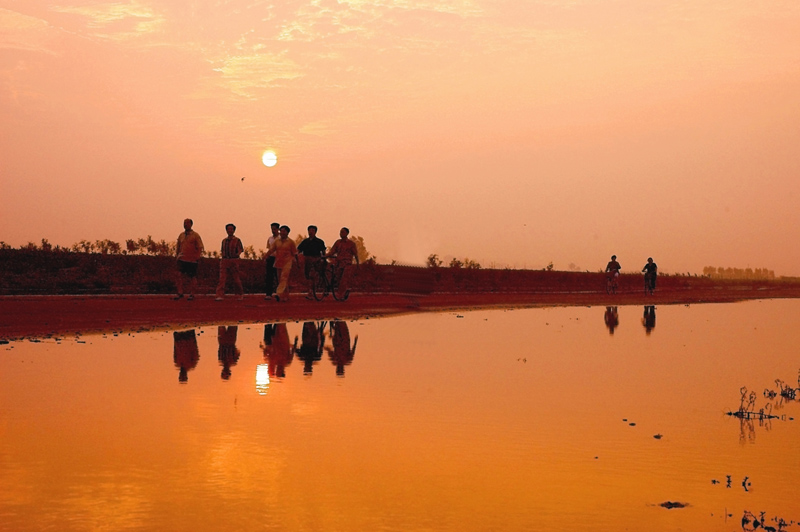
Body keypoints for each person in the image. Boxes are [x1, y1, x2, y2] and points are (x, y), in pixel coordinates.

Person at [264, 225, 297, 301]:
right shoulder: (277, 241)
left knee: (284, 277)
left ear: (287, 232)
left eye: (284, 231)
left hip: (287, 262)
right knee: (281, 280)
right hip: (278, 262)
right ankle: (286, 295)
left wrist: (297, 262)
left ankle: (278, 293)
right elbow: (271, 250)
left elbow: (294, 253)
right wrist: (266, 256)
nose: (282, 232)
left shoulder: (291, 242)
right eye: (281, 231)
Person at [325, 227, 359, 298]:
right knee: (338, 278)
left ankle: (341, 294)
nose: (341, 234)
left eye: (343, 232)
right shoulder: (338, 242)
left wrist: (357, 264)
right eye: (340, 232)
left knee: (344, 279)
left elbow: (355, 254)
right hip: (339, 263)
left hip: (347, 264)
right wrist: (324, 256)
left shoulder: (351, 244)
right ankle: (345, 290)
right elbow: (332, 252)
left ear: (347, 233)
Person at [175, 218, 204, 300]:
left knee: (192, 277)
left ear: (191, 224)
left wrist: (197, 257)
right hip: (181, 259)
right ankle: (180, 293)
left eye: (187, 223)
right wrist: (177, 256)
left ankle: (192, 294)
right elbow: (178, 246)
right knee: (178, 275)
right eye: (184, 223)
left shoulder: (195, 235)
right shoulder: (181, 235)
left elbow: (200, 247)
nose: (185, 225)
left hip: (192, 259)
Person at [215, 224, 244, 300]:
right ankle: (220, 294)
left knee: (236, 278)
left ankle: (239, 294)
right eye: (228, 229)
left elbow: (240, 249)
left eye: (231, 229)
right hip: (225, 260)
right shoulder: (224, 241)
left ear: (234, 230)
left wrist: (236, 256)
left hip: (234, 260)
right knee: (222, 279)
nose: (230, 231)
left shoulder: (237, 240)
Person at [296, 225, 326, 299]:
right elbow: (299, 250)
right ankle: (311, 290)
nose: (310, 232)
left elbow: (323, 252)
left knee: (313, 275)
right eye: (309, 230)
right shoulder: (305, 242)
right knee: (308, 276)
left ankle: (311, 291)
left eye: (312, 230)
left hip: (317, 259)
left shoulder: (319, 241)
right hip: (307, 259)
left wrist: (323, 259)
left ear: (315, 232)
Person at [264, 222, 280, 299]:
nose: (273, 231)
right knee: (269, 276)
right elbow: (269, 249)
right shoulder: (270, 239)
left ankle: (279, 293)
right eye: (272, 229)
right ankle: (268, 294)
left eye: (274, 229)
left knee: (279, 277)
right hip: (271, 258)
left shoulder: (281, 238)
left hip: (279, 259)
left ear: (278, 229)